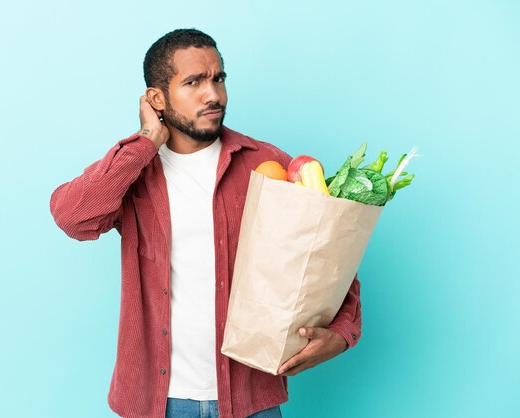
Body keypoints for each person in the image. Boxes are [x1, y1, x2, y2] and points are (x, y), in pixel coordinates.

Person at [50, 28, 362, 418]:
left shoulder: (265, 163)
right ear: (156, 98)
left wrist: (343, 333)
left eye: (218, 78)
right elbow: (73, 217)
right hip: (157, 401)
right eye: (194, 82)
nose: (213, 94)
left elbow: (327, 256)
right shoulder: (135, 173)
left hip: (250, 398)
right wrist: (146, 140)